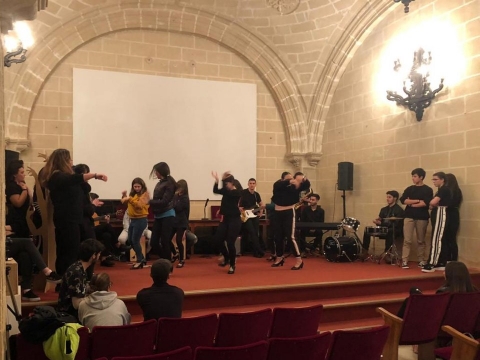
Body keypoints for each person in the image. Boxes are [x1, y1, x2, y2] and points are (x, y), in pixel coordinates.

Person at [40, 149, 107, 275]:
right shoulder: (57, 176)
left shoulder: (68, 177)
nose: (72, 161)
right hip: (66, 220)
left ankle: (74, 279)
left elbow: (85, 187)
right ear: (63, 161)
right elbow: (74, 179)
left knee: (74, 252)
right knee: (68, 253)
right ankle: (65, 281)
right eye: (69, 159)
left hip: (75, 219)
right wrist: (94, 175)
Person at [271, 171, 311, 270]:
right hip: (277, 212)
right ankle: (279, 258)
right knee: (278, 237)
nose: (291, 180)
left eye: (292, 178)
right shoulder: (278, 184)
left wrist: (304, 180)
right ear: (282, 179)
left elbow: (307, 185)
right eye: (288, 178)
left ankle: (299, 260)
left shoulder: (295, 186)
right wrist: (289, 181)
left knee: (290, 237)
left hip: (289, 212)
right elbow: (279, 186)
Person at [57, 239, 105, 320]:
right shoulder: (77, 273)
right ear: (93, 255)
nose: (99, 256)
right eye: (99, 253)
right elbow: (76, 304)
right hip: (69, 315)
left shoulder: (79, 268)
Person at [399, 168, 433, 269]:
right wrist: (417, 200)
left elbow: (425, 203)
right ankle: (404, 260)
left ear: (421, 177)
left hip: (422, 217)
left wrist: (411, 202)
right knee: (407, 240)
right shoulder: (410, 189)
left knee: (420, 240)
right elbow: (403, 200)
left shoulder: (428, 189)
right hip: (409, 216)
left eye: (415, 176)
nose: (413, 178)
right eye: (412, 176)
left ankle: (421, 260)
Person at [212, 171, 242, 274]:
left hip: (235, 220)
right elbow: (215, 190)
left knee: (230, 242)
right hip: (225, 219)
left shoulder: (237, 192)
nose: (225, 186)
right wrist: (217, 180)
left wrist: (223, 179)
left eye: (227, 183)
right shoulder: (226, 190)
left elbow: (227, 193)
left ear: (232, 183)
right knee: (217, 240)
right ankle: (227, 257)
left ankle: (232, 265)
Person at [361, 190, 404, 262]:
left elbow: (396, 224)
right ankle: (364, 251)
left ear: (395, 198)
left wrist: (381, 224)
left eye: (389, 197)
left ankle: (387, 254)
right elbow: (380, 221)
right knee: (367, 230)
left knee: (390, 231)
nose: (387, 199)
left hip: (394, 230)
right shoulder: (383, 209)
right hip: (383, 229)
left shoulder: (399, 210)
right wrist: (377, 222)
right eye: (387, 197)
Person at [422, 172, 453, 273]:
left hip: (441, 213)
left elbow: (432, 203)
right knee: (440, 238)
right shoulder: (442, 190)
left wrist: (433, 203)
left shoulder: (444, 189)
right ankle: (441, 262)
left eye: (435, 179)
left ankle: (432, 263)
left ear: (442, 179)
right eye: (433, 179)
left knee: (436, 238)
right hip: (439, 213)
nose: (434, 181)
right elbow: (432, 205)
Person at [149, 162, 176, 260]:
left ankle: (167, 264)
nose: (155, 173)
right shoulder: (159, 183)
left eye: (156, 171)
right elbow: (158, 199)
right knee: (154, 243)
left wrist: (149, 201)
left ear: (161, 171)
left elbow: (165, 201)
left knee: (165, 241)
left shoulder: (169, 183)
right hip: (158, 215)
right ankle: (165, 259)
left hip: (168, 215)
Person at [121, 178, 150, 269]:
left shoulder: (145, 195)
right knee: (130, 240)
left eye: (138, 186)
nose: (137, 188)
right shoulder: (133, 194)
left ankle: (139, 260)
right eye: (135, 186)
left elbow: (139, 206)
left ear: (142, 186)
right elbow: (126, 203)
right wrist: (124, 196)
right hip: (132, 220)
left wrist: (129, 199)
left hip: (141, 220)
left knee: (135, 240)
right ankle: (142, 258)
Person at [239, 178, 265, 258]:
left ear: (255, 185)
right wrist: (240, 209)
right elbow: (239, 204)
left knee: (256, 233)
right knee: (252, 232)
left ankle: (256, 252)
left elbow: (261, 204)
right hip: (245, 216)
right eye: (250, 183)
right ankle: (259, 251)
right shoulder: (243, 193)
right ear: (248, 184)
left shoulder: (256, 194)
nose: (252, 185)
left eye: (253, 183)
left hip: (254, 215)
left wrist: (261, 211)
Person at [171, 179, 190, 268]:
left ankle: (181, 260)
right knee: (166, 239)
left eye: (180, 188)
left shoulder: (185, 198)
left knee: (179, 240)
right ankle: (175, 254)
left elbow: (177, 208)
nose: (178, 189)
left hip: (181, 222)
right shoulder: (176, 196)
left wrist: (173, 204)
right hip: (174, 221)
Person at [444, 173, 462, 262]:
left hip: (452, 215)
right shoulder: (447, 190)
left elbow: (452, 203)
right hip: (448, 214)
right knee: (446, 239)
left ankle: (453, 260)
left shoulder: (456, 191)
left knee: (451, 238)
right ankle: (447, 259)